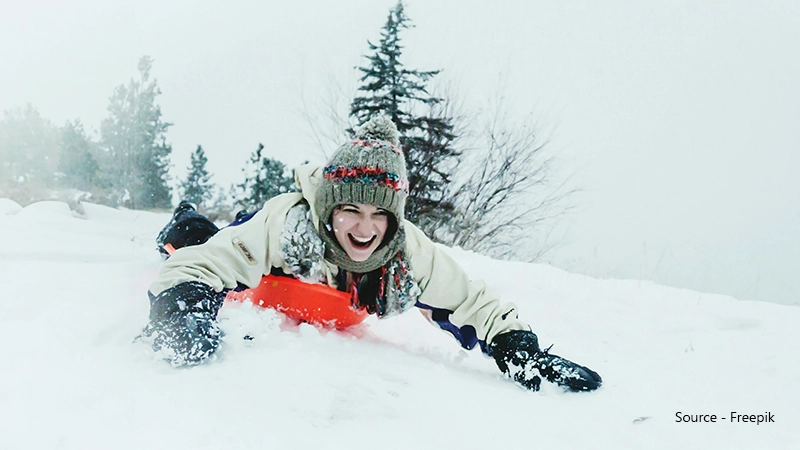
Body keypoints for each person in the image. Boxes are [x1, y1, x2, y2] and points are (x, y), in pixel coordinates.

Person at [141, 116, 602, 392]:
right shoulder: (288, 223)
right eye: (350, 210)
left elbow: (469, 301)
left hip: (321, 298)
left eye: (379, 214)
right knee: (193, 237)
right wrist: (179, 314)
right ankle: (185, 215)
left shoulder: (405, 251)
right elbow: (204, 264)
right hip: (266, 271)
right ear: (328, 208)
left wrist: (519, 350)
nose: (365, 229)